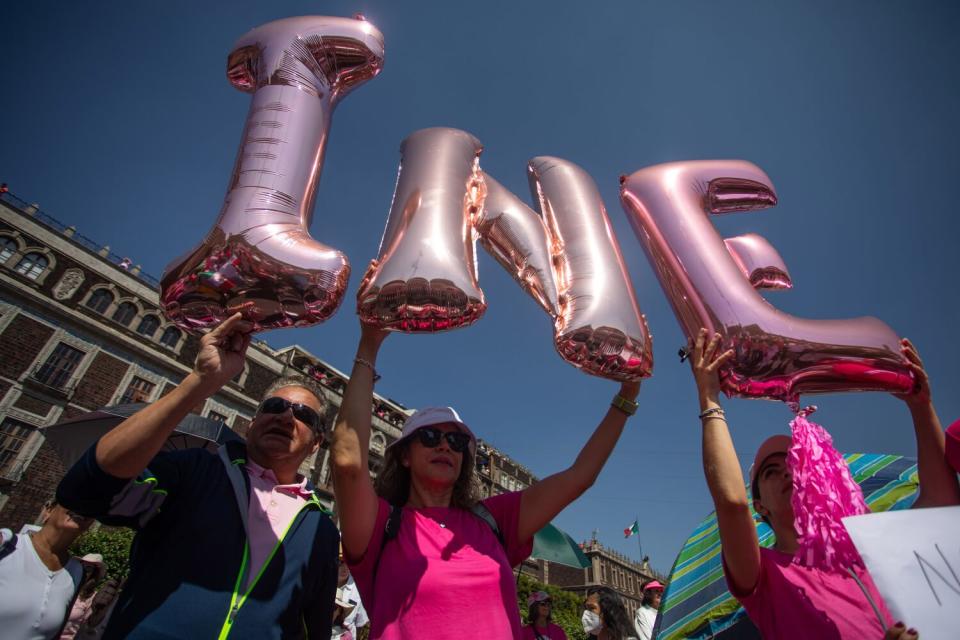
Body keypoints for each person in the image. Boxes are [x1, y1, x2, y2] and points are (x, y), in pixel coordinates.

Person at [332, 323, 641, 639]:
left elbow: (579, 477)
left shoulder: (492, 520)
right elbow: (346, 462)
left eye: (456, 443)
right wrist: (368, 345)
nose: (444, 446)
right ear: (404, 456)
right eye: (430, 436)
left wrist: (626, 397)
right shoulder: (382, 525)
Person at [56, 313, 340, 639]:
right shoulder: (193, 469)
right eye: (275, 406)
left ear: (317, 443)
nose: (286, 416)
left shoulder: (321, 527)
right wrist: (200, 381)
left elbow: (313, 625)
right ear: (252, 421)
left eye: (302, 414)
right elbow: (84, 490)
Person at [690, 329, 960, 640]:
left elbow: (942, 500)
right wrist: (709, 399)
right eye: (770, 472)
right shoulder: (766, 575)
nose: (787, 472)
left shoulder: (868, 549)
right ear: (760, 505)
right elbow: (732, 505)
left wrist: (920, 406)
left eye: (794, 462)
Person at [0, 502, 94, 640]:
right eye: (76, 499)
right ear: (48, 510)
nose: (83, 509)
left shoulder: (77, 572)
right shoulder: (6, 545)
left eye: (93, 508)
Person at [59, 554, 107, 640]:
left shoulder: (92, 598)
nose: (83, 570)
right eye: (81, 565)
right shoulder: (61, 587)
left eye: (88, 567)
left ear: (94, 573)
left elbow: (86, 628)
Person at [332, 558, 368, 640]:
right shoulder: (322, 581)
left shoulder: (359, 588)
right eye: (340, 562)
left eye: (348, 562)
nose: (345, 568)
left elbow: (360, 624)